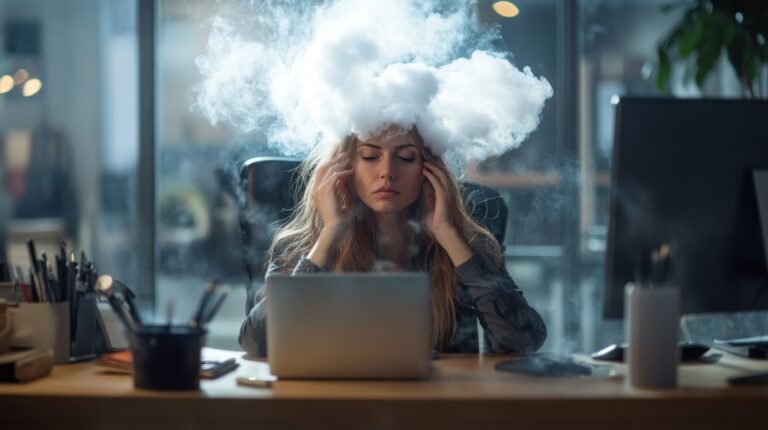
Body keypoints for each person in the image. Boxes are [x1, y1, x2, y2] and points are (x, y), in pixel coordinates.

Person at [239, 125, 547, 357]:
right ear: (344, 168)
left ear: (430, 171)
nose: (387, 172)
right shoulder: (303, 246)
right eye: (370, 156)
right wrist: (331, 233)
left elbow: (523, 340)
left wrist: (448, 235)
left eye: (406, 157)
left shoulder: (464, 247)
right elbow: (256, 342)